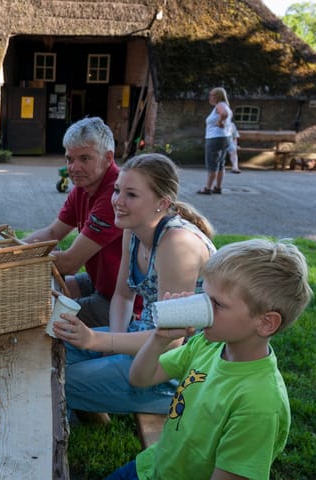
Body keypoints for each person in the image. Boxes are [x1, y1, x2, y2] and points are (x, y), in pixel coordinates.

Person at [105, 238, 313, 479]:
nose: (202, 307)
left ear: (266, 323)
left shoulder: (259, 403)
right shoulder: (207, 345)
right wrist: (160, 338)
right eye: (204, 295)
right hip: (151, 467)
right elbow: (140, 378)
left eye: (217, 303)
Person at [52, 153, 215, 415]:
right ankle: (80, 408)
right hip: (146, 338)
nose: (117, 201)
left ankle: (70, 416)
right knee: (51, 350)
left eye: (131, 194)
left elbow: (174, 342)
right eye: (117, 190)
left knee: (57, 379)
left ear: (162, 203)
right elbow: (123, 296)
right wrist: (108, 350)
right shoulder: (133, 229)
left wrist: (97, 340)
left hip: (176, 370)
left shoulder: (177, 244)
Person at [24, 116, 132, 328]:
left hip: (123, 301)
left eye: (84, 158)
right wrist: (12, 249)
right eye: (69, 159)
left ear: (108, 158)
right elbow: (53, 232)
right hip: (101, 282)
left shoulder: (116, 194)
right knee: (39, 290)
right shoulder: (83, 188)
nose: (74, 167)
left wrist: (17, 259)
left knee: (41, 315)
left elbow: (70, 263)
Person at [198, 87, 233, 195]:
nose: (210, 97)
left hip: (215, 138)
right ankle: (217, 187)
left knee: (212, 164)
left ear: (217, 96)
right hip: (224, 138)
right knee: (220, 164)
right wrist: (221, 122)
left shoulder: (220, 105)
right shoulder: (225, 105)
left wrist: (220, 122)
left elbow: (224, 114)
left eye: (212, 95)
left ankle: (207, 188)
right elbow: (225, 113)